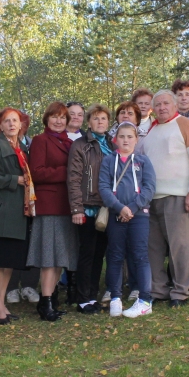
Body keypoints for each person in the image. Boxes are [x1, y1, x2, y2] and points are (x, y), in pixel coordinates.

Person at [138, 90, 189, 306]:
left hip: (178, 196)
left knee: (181, 247)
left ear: (175, 104)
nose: (161, 107)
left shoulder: (187, 126)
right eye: (157, 104)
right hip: (152, 198)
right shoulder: (151, 130)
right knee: (154, 248)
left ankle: (180, 292)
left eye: (166, 103)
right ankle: (158, 290)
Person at [99, 122, 157, 318]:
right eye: (122, 136)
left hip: (138, 215)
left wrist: (132, 208)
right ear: (115, 139)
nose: (125, 140)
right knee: (115, 255)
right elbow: (104, 188)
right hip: (116, 215)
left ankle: (145, 300)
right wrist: (120, 208)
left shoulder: (143, 161)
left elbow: (149, 188)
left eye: (129, 137)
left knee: (140, 255)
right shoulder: (108, 161)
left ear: (136, 139)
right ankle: (115, 297)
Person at [27, 102, 77, 322]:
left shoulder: (68, 142)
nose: (58, 121)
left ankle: (51, 298)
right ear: (46, 119)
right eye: (54, 117)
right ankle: (45, 302)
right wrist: (67, 172)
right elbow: (36, 173)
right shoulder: (40, 140)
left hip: (66, 206)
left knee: (60, 256)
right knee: (49, 257)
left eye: (62, 118)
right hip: (49, 206)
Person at [0, 107, 33, 325]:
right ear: (0, 126)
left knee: (10, 260)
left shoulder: (21, 148)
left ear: (21, 125)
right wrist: (15, 180)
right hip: (3, 210)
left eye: (15, 121)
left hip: (19, 212)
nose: (12, 124)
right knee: (0, 261)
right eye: (7, 121)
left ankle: (1, 302)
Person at [67, 104, 113, 314]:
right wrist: (76, 208)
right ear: (89, 123)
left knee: (99, 254)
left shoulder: (113, 144)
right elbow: (74, 178)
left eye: (103, 118)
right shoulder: (80, 145)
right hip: (87, 206)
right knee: (87, 252)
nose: (100, 122)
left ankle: (93, 295)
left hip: (108, 206)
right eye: (96, 119)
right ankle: (83, 297)